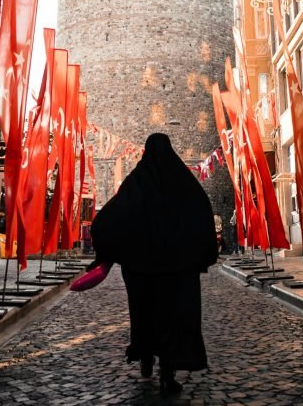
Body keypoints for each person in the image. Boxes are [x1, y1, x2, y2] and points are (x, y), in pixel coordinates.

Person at [91, 132, 218, 397]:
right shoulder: (183, 182)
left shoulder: (136, 182)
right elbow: (201, 215)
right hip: (176, 271)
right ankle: (167, 373)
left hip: (141, 271)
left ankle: (145, 354)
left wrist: (106, 251)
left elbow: (110, 218)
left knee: (145, 314)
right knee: (173, 318)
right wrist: (202, 254)